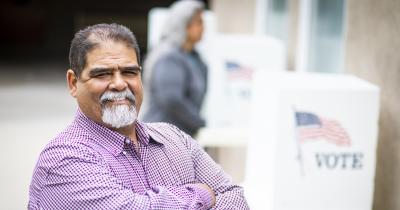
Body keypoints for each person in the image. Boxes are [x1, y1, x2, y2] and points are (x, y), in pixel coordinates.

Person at [28, 23, 248, 209]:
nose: (119, 83)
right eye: (103, 73)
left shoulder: (174, 138)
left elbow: (236, 199)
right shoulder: (63, 160)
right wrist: (201, 196)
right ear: (73, 83)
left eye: (129, 72)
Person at [142, 0, 207, 137]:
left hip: (182, 136)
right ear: (185, 24)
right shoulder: (169, 57)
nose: (203, 27)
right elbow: (171, 99)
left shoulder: (196, 59)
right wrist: (199, 122)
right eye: (199, 22)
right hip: (161, 138)